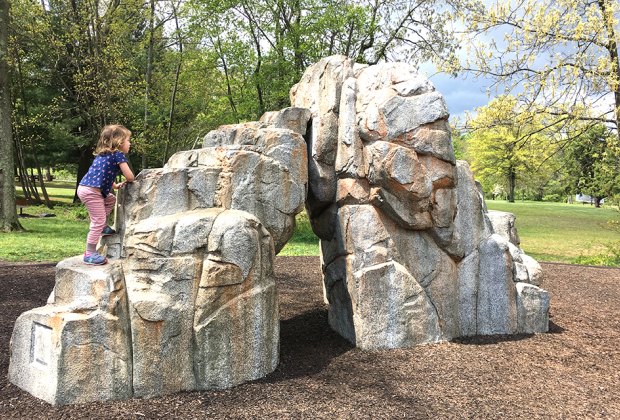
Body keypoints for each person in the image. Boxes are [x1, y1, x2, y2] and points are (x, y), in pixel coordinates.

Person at [77, 124, 135, 265]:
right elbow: (130, 177)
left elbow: (102, 173)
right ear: (119, 142)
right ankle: (90, 253)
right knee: (97, 221)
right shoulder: (118, 155)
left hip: (86, 189)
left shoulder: (104, 155)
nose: (130, 143)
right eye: (128, 140)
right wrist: (130, 179)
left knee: (110, 199)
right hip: (91, 192)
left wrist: (114, 185)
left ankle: (103, 227)